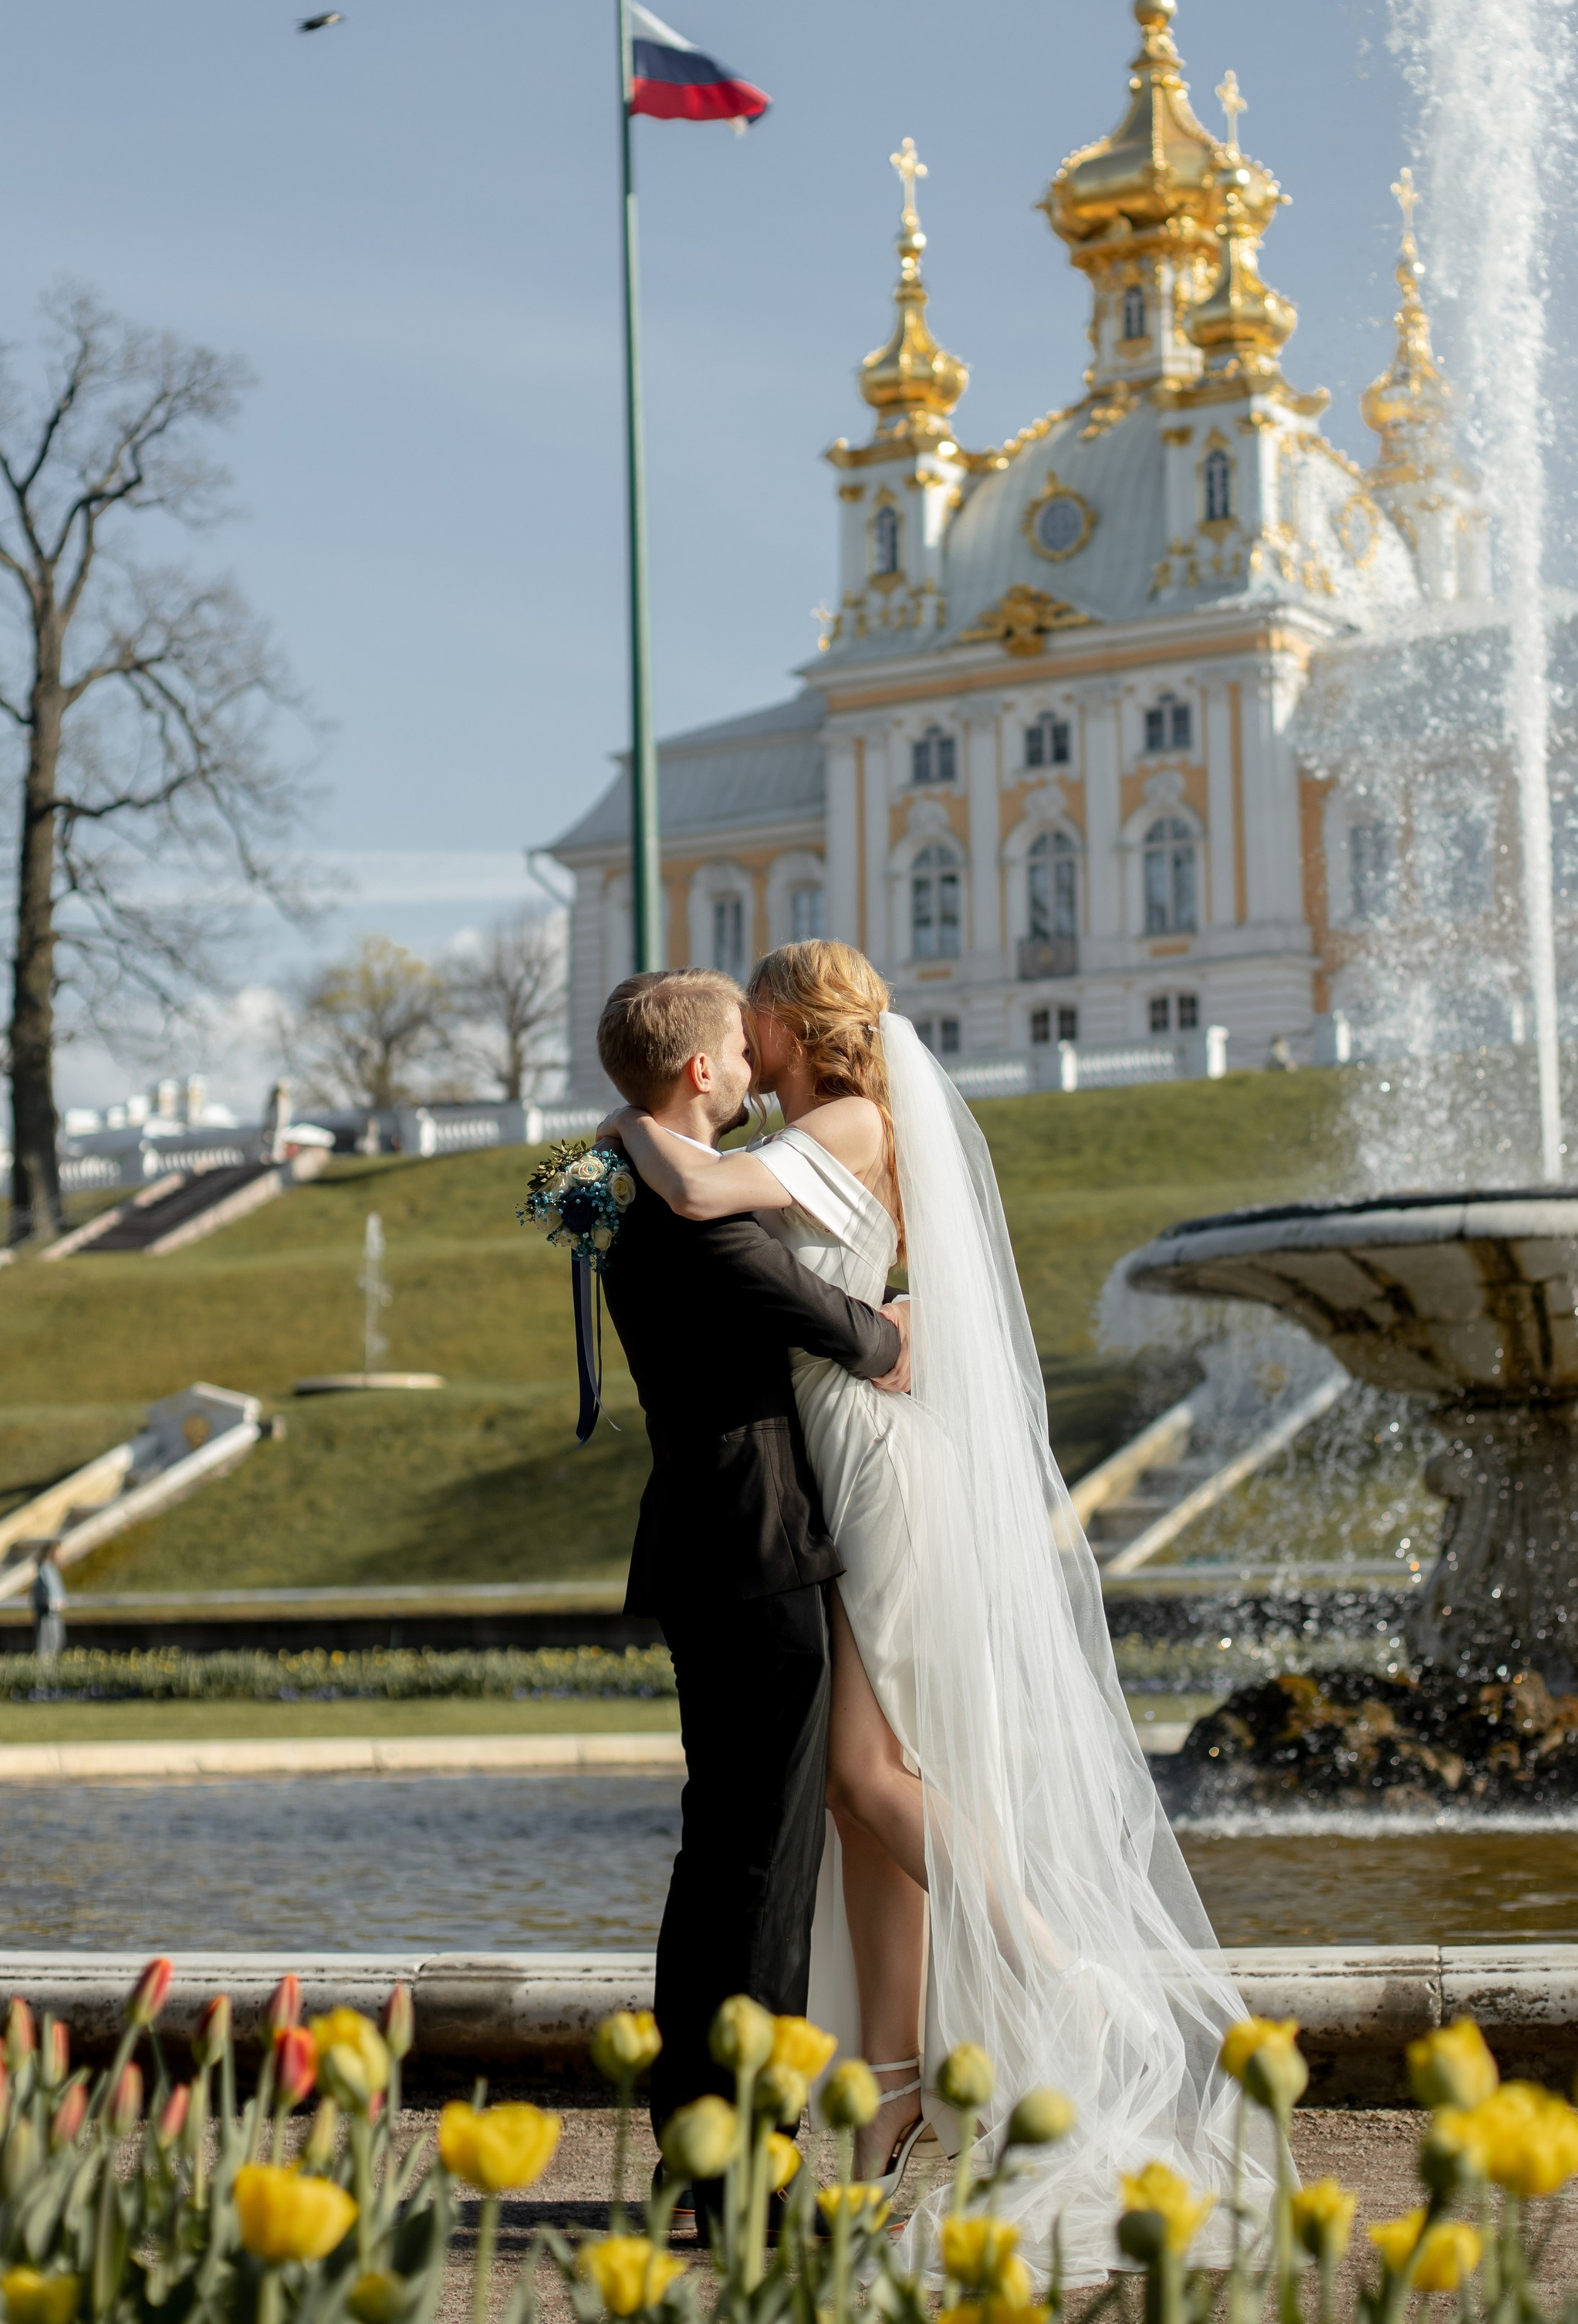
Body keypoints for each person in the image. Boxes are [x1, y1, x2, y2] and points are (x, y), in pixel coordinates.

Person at [609, 939, 1252, 2275]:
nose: (746, 1042)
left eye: (756, 1017)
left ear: (791, 1027)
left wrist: (623, 1126)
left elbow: (707, 1190)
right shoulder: (817, 1131)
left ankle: (1064, 1972)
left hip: (865, 1466)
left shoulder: (846, 1120)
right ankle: (895, 2091)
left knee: (866, 1774)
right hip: (823, 1468)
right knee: (859, 1796)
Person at [592, 968, 908, 2163]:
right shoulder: (704, 1224)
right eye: (737, 1048)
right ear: (699, 1071)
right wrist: (903, 1322)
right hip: (761, 1556)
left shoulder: (629, 1201)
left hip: (701, 1543)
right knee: (767, 1864)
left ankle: (694, 2130)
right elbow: (855, 1337)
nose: (753, 1065)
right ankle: (746, 2154)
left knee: (718, 1849)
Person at [31, 1542, 66, 1664]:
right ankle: (46, 1665)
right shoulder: (45, 1568)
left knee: (55, 1639)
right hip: (48, 1611)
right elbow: (48, 1589)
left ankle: (50, 1663)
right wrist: (54, 1601)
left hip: (52, 1610)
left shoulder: (50, 1568)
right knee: (48, 1640)